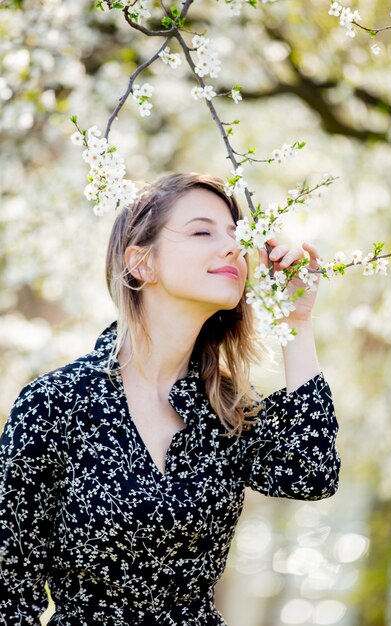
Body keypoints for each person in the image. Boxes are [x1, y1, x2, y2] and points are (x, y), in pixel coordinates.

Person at [0, 173, 340, 626]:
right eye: (203, 231)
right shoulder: (57, 404)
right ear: (142, 263)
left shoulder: (225, 411)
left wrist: (296, 319)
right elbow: (9, 595)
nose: (233, 248)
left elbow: (312, 474)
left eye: (236, 235)